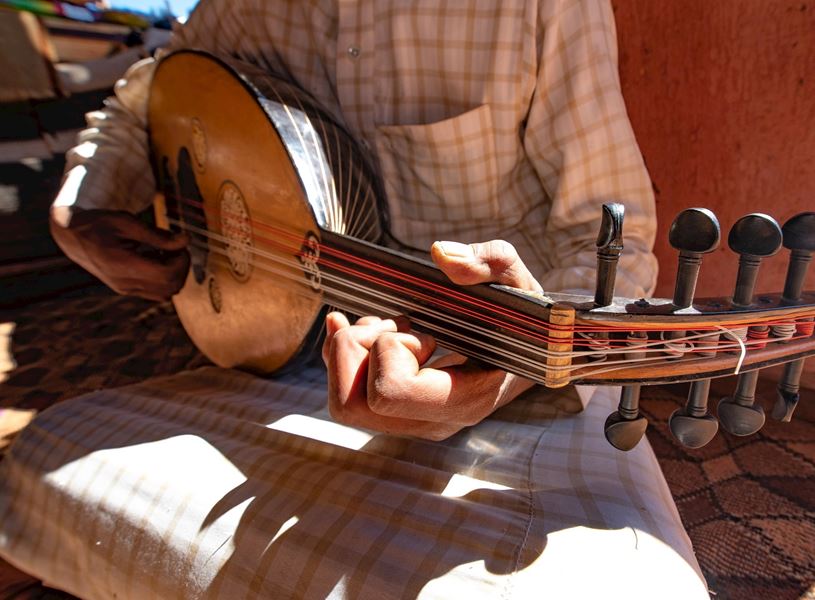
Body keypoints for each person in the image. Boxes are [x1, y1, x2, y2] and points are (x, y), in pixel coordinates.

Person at [1, 1, 708, 598]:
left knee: (625, 586)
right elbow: (138, 100)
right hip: (273, 365)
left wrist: (500, 375)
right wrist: (80, 214)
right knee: (39, 455)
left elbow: (608, 236)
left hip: (514, 375)